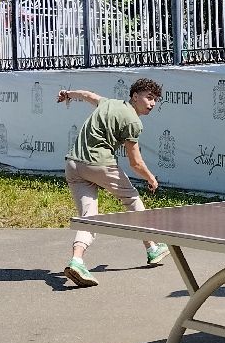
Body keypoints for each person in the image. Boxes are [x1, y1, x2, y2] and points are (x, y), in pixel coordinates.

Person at [57, 77, 170, 289]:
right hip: (100, 165)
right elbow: (135, 162)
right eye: (149, 97)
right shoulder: (134, 122)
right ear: (135, 96)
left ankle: (77, 261)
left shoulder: (108, 102)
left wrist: (67, 94)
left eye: (155, 100)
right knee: (133, 200)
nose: (152, 103)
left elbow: (87, 95)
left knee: (88, 218)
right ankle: (152, 248)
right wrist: (151, 178)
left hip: (73, 164)